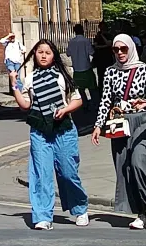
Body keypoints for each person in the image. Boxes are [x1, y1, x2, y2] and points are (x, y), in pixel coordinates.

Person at [11, 39, 89, 231]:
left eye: (47, 52)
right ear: (34, 55)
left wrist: (64, 110)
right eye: (40, 52)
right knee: (41, 175)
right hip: (40, 131)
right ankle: (43, 216)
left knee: (68, 173)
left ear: (54, 56)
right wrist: (14, 85)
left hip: (64, 129)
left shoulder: (63, 75)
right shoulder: (30, 79)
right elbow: (25, 105)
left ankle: (80, 209)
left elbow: (77, 101)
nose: (44, 55)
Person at [91, 32, 146, 229]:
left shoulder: (145, 70)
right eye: (116, 49)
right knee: (126, 167)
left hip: (142, 122)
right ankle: (139, 212)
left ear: (131, 48)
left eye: (124, 49)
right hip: (120, 123)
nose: (120, 53)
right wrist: (98, 125)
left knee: (141, 162)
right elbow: (105, 100)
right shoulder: (110, 72)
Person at [67, 24, 97, 109]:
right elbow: (91, 52)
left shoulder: (71, 41)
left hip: (76, 69)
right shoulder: (86, 41)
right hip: (86, 67)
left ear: (74, 31)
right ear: (82, 30)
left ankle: (84, 103)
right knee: (92, 88)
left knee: (80, 89)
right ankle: (94, 104)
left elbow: (68, 53)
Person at [93, 21, 115, 89]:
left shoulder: (109, 35)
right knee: (100, 75)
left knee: (109, 74)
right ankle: (101, 89)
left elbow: (109, 43)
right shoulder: (97, 36)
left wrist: (103, 36)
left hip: (108, 57)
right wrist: (105, 46)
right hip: (100, 58)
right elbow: (96, 46)